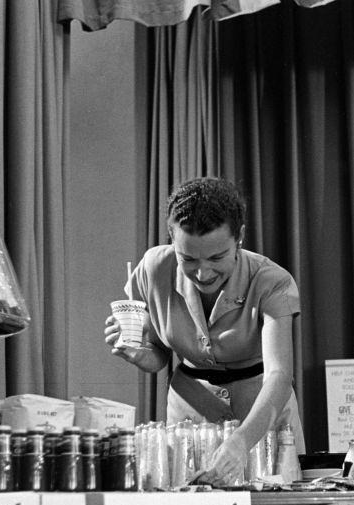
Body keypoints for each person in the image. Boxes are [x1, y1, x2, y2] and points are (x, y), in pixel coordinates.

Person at [105, 177, 304, 485]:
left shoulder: (271, 280)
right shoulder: (153, 268)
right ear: (172, 237)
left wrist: (241, 441)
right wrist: (141, 355)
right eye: (188, 259)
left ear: (239, 237)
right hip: (189, 419)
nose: (202, 272)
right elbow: (159, 354)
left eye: (216, 258)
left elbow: (279, 375)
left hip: (261, 413)